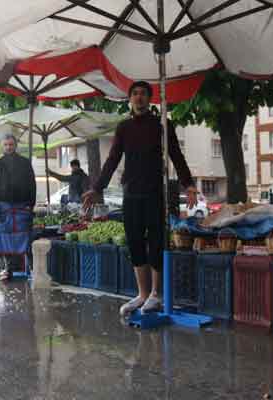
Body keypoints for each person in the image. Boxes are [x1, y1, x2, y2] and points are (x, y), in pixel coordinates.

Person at [83, 81, 198, 315]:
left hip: (155, 192)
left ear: (149, 98)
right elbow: (112, 159)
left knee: (156, 241)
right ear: (130, 99)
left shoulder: (162, 125)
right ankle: (142, 294)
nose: (139, 97)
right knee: (135, 242)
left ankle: (156, 294)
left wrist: (189, 185)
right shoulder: (123, 127)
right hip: (131, 192)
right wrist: (97, 188)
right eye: (135, 94)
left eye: (143, 94)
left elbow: (176, 155)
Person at [0, 134, 36, 282]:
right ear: (2, 146)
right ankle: (8, 269)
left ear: (15, 145)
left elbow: (32, 184)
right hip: (3, 208)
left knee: (25, 240)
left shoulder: (25, 163)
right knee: (4, 240)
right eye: (6, 145)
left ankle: (31, 270)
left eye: (11, 144)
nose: (9, 147)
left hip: (23, 208)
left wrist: (31, 204)